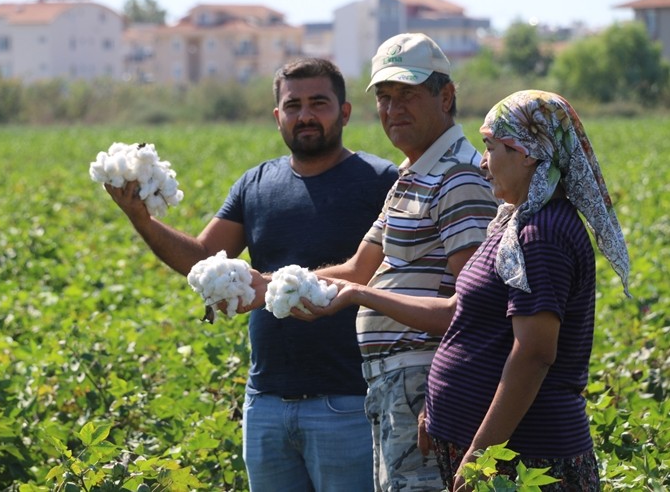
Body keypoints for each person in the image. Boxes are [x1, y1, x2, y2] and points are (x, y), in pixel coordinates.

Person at [300, 90, 631, 491]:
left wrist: (482, 453)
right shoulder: (511, 225)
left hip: (526, 457)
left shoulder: (543, 233)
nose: (482, 162)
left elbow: (534, 354)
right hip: (482, 447)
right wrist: (360, 294)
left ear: (526, 152)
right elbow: (459, 314)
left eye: (490, 147)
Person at [103, 58, 398, 492]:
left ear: (346, 112)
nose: (305, 115)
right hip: (266, 403)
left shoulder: (379, 181)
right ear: (278, 116)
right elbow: (202, 257)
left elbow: (375, 273)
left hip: (348, 401)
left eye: (319, 103)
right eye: (293, 105)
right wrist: (142, 219)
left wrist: (266, 285)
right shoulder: (256, 184)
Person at [286, 33, 499, 491]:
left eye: (408, 94)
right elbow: (357, 270)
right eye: (384, 96)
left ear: (446, 97)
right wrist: (265, 286)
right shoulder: (413, 176)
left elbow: (474, 310)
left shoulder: (458, 177)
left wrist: (445, 395)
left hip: (425, 384)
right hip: (394, 387)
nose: (393, 108)